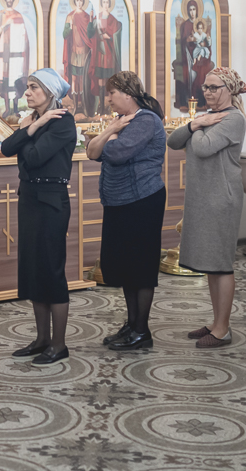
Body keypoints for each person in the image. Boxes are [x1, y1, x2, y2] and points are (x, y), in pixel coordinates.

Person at [166, 67, 246, 348]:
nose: (208, 92)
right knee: (212, 265)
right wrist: (195, 124)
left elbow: (202, 148)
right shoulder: (209, 117)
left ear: (229, 90)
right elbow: (173, 141)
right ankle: (216, 322)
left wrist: (198, 125)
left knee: (221, 264)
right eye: (205, 87)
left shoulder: (233, 118)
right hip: (203, 198)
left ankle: (223, 330)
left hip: (221, 198)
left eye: (214, 87)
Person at [2, 69, 77, 365]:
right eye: (27, 87)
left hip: (51, 202)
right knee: (34, 269)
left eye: (34, 87)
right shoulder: (33, 120)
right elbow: (6, 148)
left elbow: (32, 158)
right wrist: (32, 126)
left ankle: (59, 344)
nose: (27, 92)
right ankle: (42, 339)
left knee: (51, 271)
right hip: (30, 200)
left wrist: (30, 130)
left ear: (50, 91)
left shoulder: (63, 121)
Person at [87, 71, 166, 350]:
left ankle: (142, 331)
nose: (108, 98)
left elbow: (116, 153)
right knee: (125, 267)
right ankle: (132, 324)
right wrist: (111, 131)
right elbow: (91, 152)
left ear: (129, 94)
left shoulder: (146, 120)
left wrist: (108, 139)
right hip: (120, 201)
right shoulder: (123, 121)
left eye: (112, 93)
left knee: (140, 267)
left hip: (142, 200)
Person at [0, 0, 29, 118]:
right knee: (5, 81)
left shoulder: (19, 15)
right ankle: (7, 108)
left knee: (15, 80)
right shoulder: (0, 14)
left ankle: (15, 108)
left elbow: (23, 35)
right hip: (4, 53)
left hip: (16, 55)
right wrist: (4, 26)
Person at [63, 0, 95, 117]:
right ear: (74, 2)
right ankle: (76, 106)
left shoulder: (87, 17)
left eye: (81, 0)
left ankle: (83, 105)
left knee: (83, 79)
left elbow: (91, 34)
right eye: (77, 0)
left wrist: (91, 20)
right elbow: (65, 34)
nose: (79, 3)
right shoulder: (70, 16)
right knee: (74, 79)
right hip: (74, 52)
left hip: (84, 52)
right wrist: (70, 27)